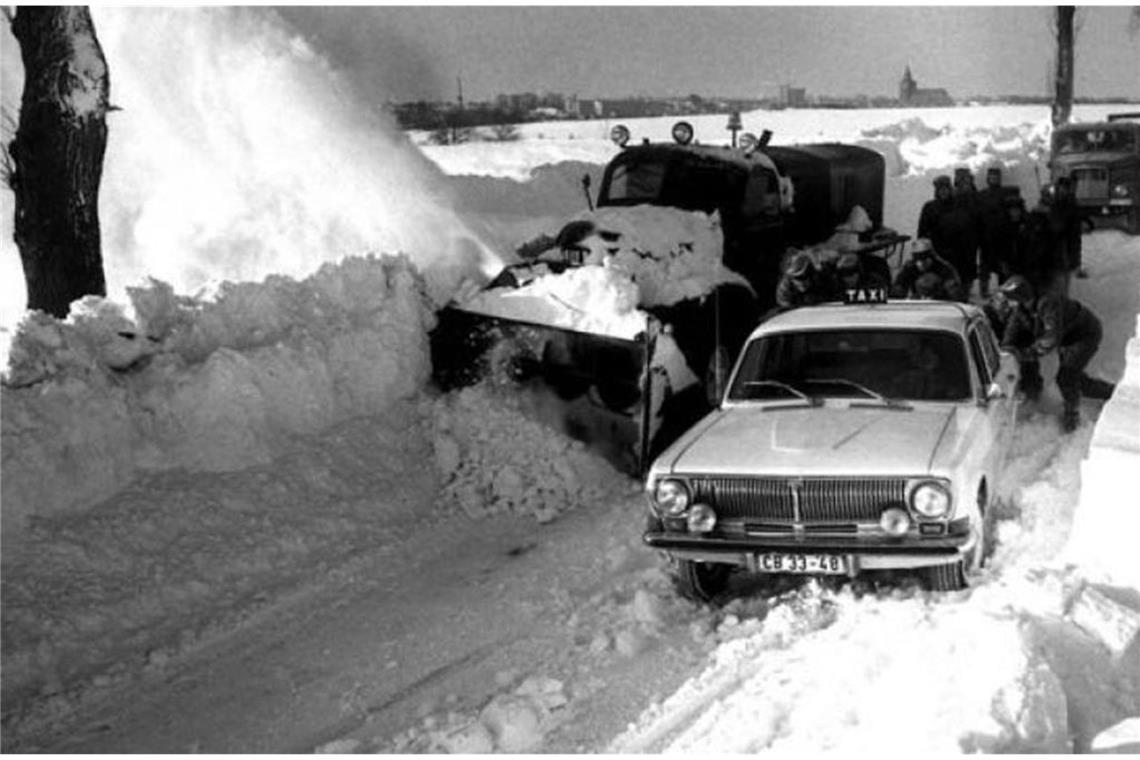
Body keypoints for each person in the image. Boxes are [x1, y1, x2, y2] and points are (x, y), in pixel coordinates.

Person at [998, 275, 1114, 432]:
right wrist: (1006, 349)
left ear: (1020, 297)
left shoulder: (1048, 303)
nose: (1007, 304)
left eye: (1010, 300)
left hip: (1084, 335)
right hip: (1067, 337)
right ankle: (1034, 392)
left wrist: (1028, 353)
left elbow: (1051, 338)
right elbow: (1013, 329)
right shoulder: (1022, 308)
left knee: (1067, 376)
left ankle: (1072, 414)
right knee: (1074, 377)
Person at [918, 172, 984, 300]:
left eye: (946, 189)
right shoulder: (930, 208)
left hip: (962, 256)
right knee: (940, 290)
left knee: (962, 290)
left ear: (950, 189)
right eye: (940, 189)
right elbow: (923, 233)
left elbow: (971, 228)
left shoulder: (962, 205)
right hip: (939, 256)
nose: (943, 192)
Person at [977, 167, 1015, 294]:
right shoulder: (982, 195)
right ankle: (983, 290)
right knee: (985, 267)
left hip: (1002, 236)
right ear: (988, 178)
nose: (994, 179)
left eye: (996, 176)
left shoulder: (1006, 194)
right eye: (992, 176)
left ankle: (1003, 292)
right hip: (986, 236)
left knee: (1003, 267)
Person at [890, 238, 965, 301]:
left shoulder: (944, 269)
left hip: (942, 302)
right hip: (918, 302)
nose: (920, 264)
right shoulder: (909, 268)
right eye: (917, 260)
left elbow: (955, 294)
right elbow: (897, 291)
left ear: (931, 257)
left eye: (924, 259)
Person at [1046, 175, 1088, 288]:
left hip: (1064, 248)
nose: (1064, 190)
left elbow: (1075, 236)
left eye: (1066, 188)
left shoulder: (1071, 205)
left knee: (1062, 282)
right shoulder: (1052, 203)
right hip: (1053, 249)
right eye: (1062, 187)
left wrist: (1075, 260)